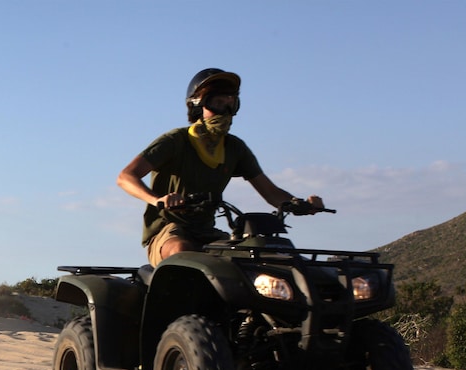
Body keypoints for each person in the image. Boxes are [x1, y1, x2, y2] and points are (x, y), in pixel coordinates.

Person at [117, 68, 325, 266]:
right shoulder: (176, 140)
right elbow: (126, 177)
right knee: (183, 251)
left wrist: (300, 204)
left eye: (230, 103)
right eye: (218, 102)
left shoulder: (234, 147)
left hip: (208, 232)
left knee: (253, 257)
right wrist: (158, 200)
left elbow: (270, 192)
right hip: (169, 230)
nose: (225, 110)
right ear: (198, 105)